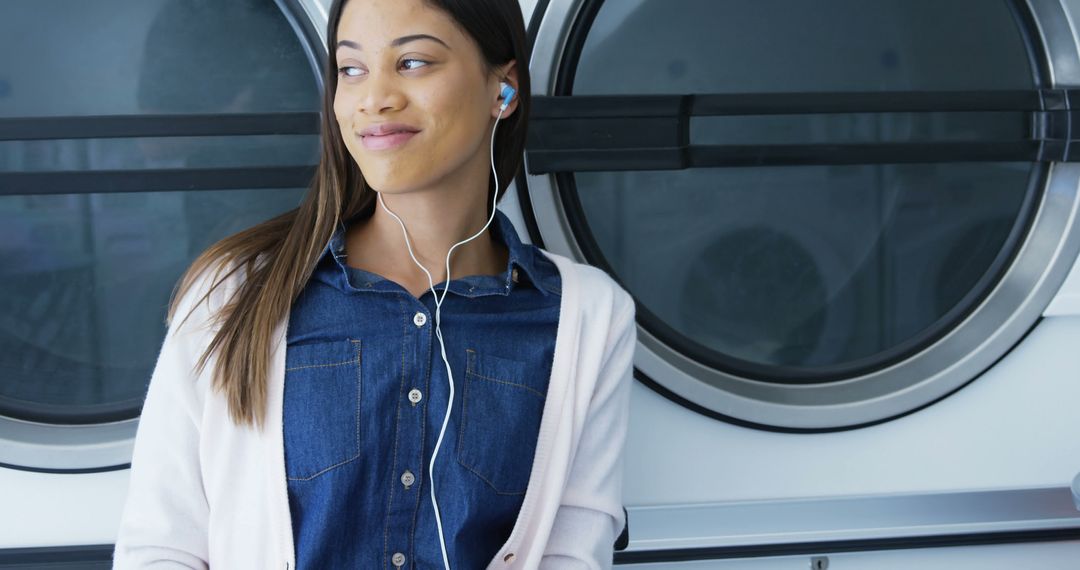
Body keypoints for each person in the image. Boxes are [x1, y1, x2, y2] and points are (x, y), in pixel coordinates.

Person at [112, 0, 636, 568]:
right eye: (352, 69)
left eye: (412, 62)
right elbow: (161, 546)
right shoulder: (233, 294)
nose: (374, 98)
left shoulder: (590, 317)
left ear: (502, 90)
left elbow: (573, 554)